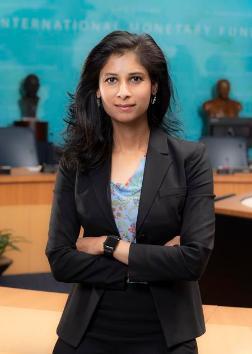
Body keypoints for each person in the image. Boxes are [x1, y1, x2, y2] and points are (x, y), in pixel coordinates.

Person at [46, 31, 215, 354]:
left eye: (135, 79)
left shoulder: (190, 159)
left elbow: (193, 260)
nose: (123, 92)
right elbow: (60, 260)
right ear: (97, 90)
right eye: (111, 80)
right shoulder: (75, 163)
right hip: (88, 328)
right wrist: (157, 261)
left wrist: (108, 245)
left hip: (168, 330)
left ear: (154, 87)